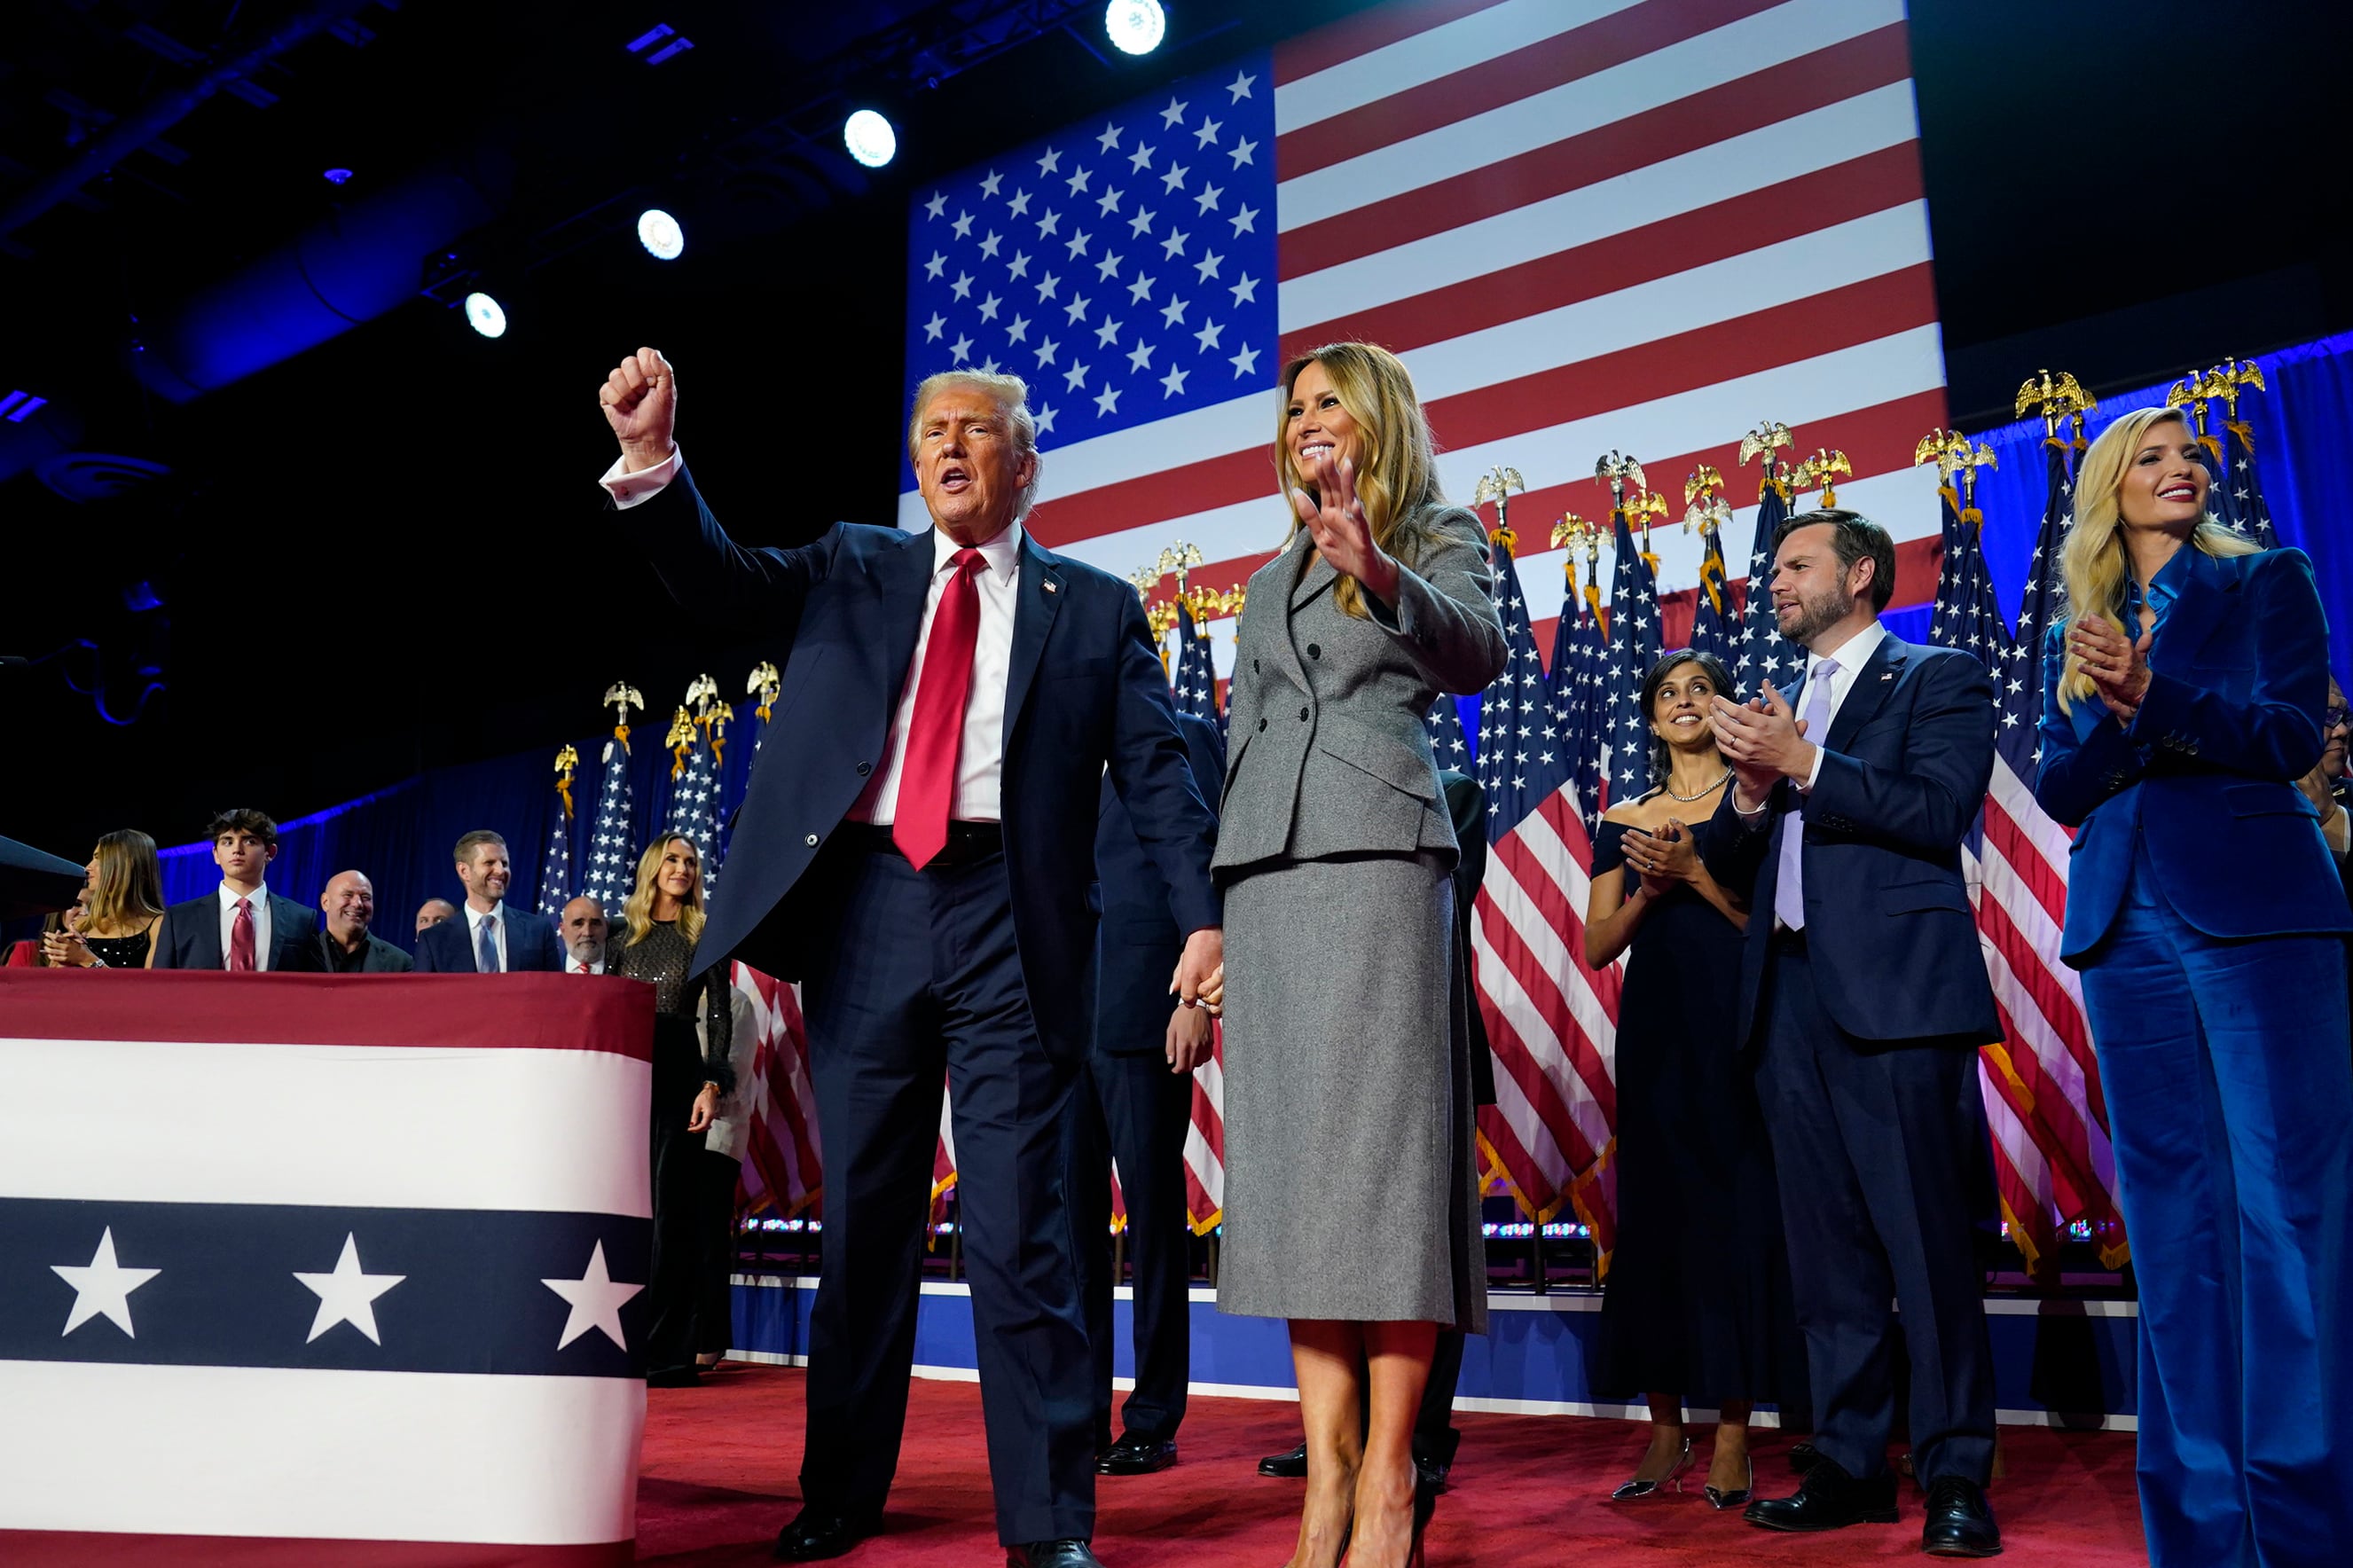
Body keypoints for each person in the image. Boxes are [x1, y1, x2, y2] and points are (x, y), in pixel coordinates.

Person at [597, 348, 1220, 1568]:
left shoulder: (1090, 607)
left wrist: (1202, 914)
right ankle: (839, 1490)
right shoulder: (854, 563)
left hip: (1015, 923)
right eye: (931, 428)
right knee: (867, 1226)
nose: (945, 445)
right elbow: (719, 584)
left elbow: (1157, 770)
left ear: (1023, 467)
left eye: (974, 430)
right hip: (869, 910)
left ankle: (1047, 1525)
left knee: (1021, 1233)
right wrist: (648, 462)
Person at [2033, 406, 2353, 1568]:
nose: (2179, 466)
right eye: (2150, 456)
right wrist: (2120, 705)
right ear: (2110, 487)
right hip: (2124, 927)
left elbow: (2283, 736)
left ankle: (2309, 1533)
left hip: (2257, 910)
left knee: (2286, 1211)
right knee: (2173, 1227)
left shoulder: (2268, 579)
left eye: (2190, 453)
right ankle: (2207, 1537)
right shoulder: (2084, 624)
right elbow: (2060, 784)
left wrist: (2149, 703)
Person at [1212, 342, 1507, 1568]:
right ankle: (1321, 1481)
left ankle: (1389, 1477)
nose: (1304, 420)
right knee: (1291, 1182)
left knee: (1380, 1172)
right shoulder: (1264, 573)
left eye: (1328, 399)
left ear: (1378, 417)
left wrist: (1377, 569)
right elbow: (1236, 737)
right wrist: (1207, 907)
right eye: (1292, 408)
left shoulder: (1434, 532)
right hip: (1267, 880)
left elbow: (1477, 652)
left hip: (1380, 858)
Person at [1703, 508, 2003, 1557]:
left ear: (1862, 574)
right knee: (1825, 1261)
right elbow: (1739, 866)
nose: (1772, 584)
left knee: (1925, 1251)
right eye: (1772, 570)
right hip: (1783, 999)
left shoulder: (1939, 674)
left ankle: (1957, 1471)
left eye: (1795, 566)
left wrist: (1805, 763)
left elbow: (1935, 809)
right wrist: (1747, 795)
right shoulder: (1776, 710)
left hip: (1896, 1003)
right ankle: (1847, 1462)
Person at [1584, 650, 1804, 1509]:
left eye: (1699, 688)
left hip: (1740, 1031)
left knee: (1738, 1220)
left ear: (1721, 708)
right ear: (1650, 717)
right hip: (1656, 1038)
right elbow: (1599, 943)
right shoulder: (1622, 815)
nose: (1683, 700)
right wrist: (1647, 886)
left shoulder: (1756, 799)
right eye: (1668, 692)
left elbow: (1767, 926)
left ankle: (1734, 1436)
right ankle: (1665, 1426)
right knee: (1656, 1220)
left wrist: (1694, 874)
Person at [1256, 767, 1494, 1496]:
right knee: (1334, 1242)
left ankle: (1419, 1441)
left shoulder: (1449, 792)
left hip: (1418, 1036)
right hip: (1325, 1042)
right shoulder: (1296, 798)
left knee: (1420, 1245)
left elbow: (1433, 902)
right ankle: (1342, 1437)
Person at [1074, 707, 1226, 1478]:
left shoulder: (1180, 734)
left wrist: (1193, 1001)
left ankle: (1153, 1414)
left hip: (1147, 1006)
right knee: (1069, 1230)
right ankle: (1076, 1410)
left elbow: (1203, 863)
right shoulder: (1051, 748)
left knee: (1154, 1222)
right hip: (1057, 1021)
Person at [610, 834, 735, 1387]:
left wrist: (711, 1085)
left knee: (673, 1214)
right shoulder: (622, 934)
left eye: (690, 862)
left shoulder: (705, 932)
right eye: (673, 859)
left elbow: (721, 1016)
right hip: (626, 1072)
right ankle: (614, 1341)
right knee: (626, 1210)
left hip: (682, 1070)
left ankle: (665, 1355)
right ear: (653, 867)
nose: (682, 868)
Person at [152, 810, 323, 971]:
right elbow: (161, 986)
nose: (237, 850)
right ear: (216, 854)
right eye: (227, 842)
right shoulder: (180, 918)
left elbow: (317, 989)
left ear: (270, 852)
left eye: (250, 841)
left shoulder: (301, 919)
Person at [413, 831, 562, 973]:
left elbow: (554, 992)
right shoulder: (434, 939)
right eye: (489, 863)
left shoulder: (537, 930)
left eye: (504, 863)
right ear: (464, 871)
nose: (500, 871)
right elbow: (425, 997)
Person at [40, 829, 166, 970]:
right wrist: (60, 957)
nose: (88, 868)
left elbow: (151, 988)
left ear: (125, 864)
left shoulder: (158, 925)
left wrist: (85, 958)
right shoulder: (83, 924)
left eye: (98, 858)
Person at [314, 870, 414, 973]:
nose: (358, 904)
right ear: (325, 902)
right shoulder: (302, 955)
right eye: (348, 895)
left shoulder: (400, 963)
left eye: (366, 897)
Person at [559, 895, 611, 973]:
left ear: (606, 928)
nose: (587, 933)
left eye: (595, 924)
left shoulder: (624, 967)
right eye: (578, 924)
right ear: (563, 930)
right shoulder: (548, 968)